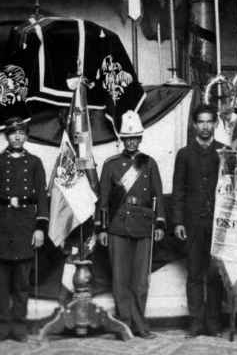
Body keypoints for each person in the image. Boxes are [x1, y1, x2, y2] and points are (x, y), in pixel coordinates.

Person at [95, 110, 165, 339]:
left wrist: (160, 224)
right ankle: (124, 325)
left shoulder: (149, 163)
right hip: (118, 225)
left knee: (141, 282)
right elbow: (104, 199)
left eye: (135, 137)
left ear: (140, 138)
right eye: (128, 138)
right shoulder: (111, 164)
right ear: (122, 139)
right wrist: (102, 228)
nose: (132, 141)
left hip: (144, 226)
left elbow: (158, 195)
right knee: (120, 279)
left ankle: (140, 325)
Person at [0, 117, 49, 342]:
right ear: (6, 136)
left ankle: (19, 327)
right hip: (1, 225)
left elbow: (42, 198)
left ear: (26, 135)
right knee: (0, 283)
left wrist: (40, 228)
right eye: (12, 132)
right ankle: (1, 327)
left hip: (25, 226)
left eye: (21, 132)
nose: (17, 136)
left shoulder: (35, 163)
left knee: (21, 283)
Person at [171, 103, 224, 337]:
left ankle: (213, 323)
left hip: (218, 224)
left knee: (214, 274)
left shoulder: (224, 152)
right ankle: (196, 322)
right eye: (201, 122)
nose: (205, 126)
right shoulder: (184, 154)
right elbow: (178, 190)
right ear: (194, 125)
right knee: (194, 274)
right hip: (192, 224)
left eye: (209, 121)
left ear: (215, 124)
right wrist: (178, 222)